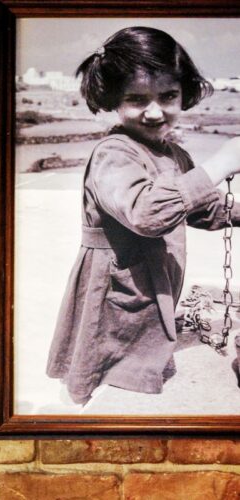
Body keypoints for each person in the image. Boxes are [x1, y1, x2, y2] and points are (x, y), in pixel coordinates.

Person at [46, 26, 240, 405]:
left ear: (183, 93)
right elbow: (146, 214)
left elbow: (206, 209)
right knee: (102, 374)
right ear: (114, 101)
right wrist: (220, 164)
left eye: (168, 96)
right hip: (113, 297)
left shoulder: (174, 154)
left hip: (151, 292)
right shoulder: (113, 154)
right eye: (137, 99)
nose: (154, 111)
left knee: (141, 362)